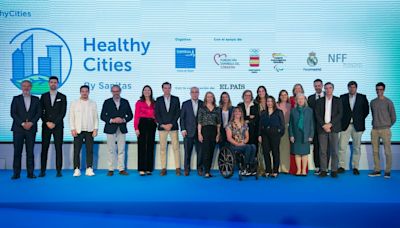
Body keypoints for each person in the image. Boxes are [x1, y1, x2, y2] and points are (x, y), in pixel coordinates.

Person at [10, 80, 41, 180]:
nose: (26, 88)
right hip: (18, 129)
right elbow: (13, 113)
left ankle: (30, 173)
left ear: (31, 87)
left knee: (30, 152)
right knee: (17, 152)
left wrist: (31, 123)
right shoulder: (16, 99)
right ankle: (16, 173)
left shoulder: (36, 99)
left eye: (28, 86)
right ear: (21, 87)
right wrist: (22, 123)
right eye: (24, 86)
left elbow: (39, 113)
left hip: (31, 129)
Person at [338, 81, 369, 175]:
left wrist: (358, 119)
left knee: (357, 148)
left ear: (356, 88)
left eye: (354, 87)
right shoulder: (342, 97)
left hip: (358, 126)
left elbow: (366, 111)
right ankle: (341, 166)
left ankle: (355, 167)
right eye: (350, 87)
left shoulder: (362, 97)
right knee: (342, 147)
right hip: (345, 126)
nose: (352, 89)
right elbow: (339, 111)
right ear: (348, 88)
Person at [101, 85, 133, 176]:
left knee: (121, 149)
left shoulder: (125, 102)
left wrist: (123, 120)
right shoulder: (107, 102)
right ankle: (111, 169)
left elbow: (130, 115)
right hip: (110, 128)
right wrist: (112, 120)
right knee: (111, 149)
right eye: (114, 91)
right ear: (111, 92)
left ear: (120, 91)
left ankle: (121, 169)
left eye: (117, 91)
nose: (116, 93)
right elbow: (103, 116)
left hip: (122, 128)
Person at [39, 76, 67, 178]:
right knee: (44, 148)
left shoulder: (62, 97)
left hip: (58, 126)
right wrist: (47, 122)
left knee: (58, 148)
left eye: (55, 82)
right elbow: (40, 111)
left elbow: (62, 112)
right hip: (46, 126)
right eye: (51, 82)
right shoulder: (43, 96)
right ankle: (42, 171)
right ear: (49, 83)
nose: (53, 84)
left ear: (58, 84)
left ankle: (59, 170)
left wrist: (54, 123)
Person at [69, 85, 99, 177]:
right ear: (80, 92)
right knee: (77, 151)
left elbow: (96, 117)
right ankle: (76, 169)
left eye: (86, 91)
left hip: (90, 130)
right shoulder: (74, 103)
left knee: (89, 150)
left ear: (89, 92)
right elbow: (71, 117)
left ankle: (89, 168)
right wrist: (72, 128)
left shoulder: (93, 103)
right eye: (83, 91)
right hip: (78, 130)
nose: (84, 93)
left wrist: (95, 129)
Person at [368, 82, 396, 179]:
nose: (378, 91)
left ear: (384, 90)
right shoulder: (372, 102)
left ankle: (387, 171)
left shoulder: (389, 102)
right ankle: (377, 170)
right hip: (374, 130)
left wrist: (387, 126)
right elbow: (373, 115)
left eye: (380, 89)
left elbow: (394, 117)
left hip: (385, 130)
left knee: (387, 151)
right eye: (377, 89)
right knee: (375, 151)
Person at [315, 82, 342, 178]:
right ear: (324, 89)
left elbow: (340, 114)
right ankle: (323, 170)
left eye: (330, 88)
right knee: (322, 151)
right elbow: (317, 114)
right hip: (322, 129)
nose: (328, 90)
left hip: (334, 128)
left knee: (334, 150)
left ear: (333, 89)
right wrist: (324, 125)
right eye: (326, 88)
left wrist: (330, 124)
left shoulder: (338, 100)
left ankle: (334, 170)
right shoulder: (319, 101)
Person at [155, 82, 181, 176]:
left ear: (171, 89)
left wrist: (171, 123)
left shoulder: (176, 99)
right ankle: (163, 168)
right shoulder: (158, 100)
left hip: (173, 127)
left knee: (176, 148)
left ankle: (178, 168)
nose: (167, 89)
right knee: (162, 148)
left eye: (168, 88)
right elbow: (156, 114)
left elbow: (178, 112)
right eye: (165, 88)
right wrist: (162, 124)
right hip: (162, 128)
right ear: (162, 89)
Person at [258, 96, 285, 178]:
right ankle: (268, 170)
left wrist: (279, 133)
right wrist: (259, 135)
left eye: (271, 101)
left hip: (275, 135)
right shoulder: (263, 113)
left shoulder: (279, 112)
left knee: (275, 152)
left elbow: (282, 125)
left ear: (273, 102)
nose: (269, 103)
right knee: (266, 152)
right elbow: (260, 125)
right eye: (268, 101)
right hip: (264, 134)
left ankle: (275, 171)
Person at [226, 107, 257, 176]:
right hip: (234, 145)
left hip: (243, 144)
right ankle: (245, 167)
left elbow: (247, 137)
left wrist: (243, 142)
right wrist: (237, 144)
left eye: (239, 111)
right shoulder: (229, 124)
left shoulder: (244, 124)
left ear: (241, 113)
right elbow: (229, 138)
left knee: (253, 146)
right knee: (248, 147)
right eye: (236, 111)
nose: (237, 113)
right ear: (233, 113)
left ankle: (250, 166)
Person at [289, 93, 314, 176]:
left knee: (304, 153)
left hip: (306, 134)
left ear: (305, 100)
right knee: (297, 153)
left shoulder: (309, 110)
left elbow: (311, 124)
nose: (300, 100)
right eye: (298, 99)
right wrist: (291, 135)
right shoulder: (293, 110)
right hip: (296, 135)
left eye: (302, 98)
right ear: (296, 100)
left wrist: (311, 135)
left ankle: (303, 170)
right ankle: (298, 170)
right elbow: (291, 125)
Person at [180, 87, 204, 176]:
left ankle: (200, 168)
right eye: (193, 92)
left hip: (199, 133)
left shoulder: (202, 104)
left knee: (200, 152)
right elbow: (182, 118)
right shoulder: (185, 104)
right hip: (188, 132)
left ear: (198, 93)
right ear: (190, 93)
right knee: (187, 152)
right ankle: (187, 169)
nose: (194, 94)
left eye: (196, 92)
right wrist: (183, 129)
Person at [134, 85, 157, 176]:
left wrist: (157, 122)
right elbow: (136, 116)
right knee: (142, 146)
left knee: (150, 146)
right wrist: (136, 128)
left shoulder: (154, 102)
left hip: (152, 124)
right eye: (145, 90)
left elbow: (157, 114)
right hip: (142, 124)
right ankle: (142, 168)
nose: (147, 91)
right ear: (143, 92)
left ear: (151, 92)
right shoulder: (139, 102)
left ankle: (148, 168)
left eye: (148, 90)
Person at [198, 91, 221, 178]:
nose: (210, 98)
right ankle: (206, 171)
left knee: (211, 151)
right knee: (206, 151)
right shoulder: (202, 108)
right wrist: (199, 133)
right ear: (205, 98)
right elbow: (199, 122)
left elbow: (219, 123)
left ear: (213, 98)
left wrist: (218, 134)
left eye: (211, 96)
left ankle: (209, 170)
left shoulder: (217, 109)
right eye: (208, 97)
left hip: (214, 131)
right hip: (205, 130)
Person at [307, 79, 325, 175]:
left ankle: (325, 167)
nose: (317, 87)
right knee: (316, 147)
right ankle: (317, 166)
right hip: (314, 127)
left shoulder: (328, 96)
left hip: (326, 127)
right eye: (315, 86)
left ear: (322, 86)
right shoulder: (310, 98)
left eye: (319, 85)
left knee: (326, 148)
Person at [276, 90, 291, 174]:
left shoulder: (290, 105)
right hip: (278, 129)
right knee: (277, 148)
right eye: (282, 95)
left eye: (285, 95)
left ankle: (285, 168)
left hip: (287, 128)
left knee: (285, 149)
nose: (283, 96)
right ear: (279, 96)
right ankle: (277, 167)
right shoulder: (276, 105)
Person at [254, 86, 268, 176]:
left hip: (270, 129)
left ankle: (269, 169)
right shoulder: (255, 103)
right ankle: (260, 169)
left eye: (263, 91)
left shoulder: (270, 101)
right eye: (259, 91)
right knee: (260, 150)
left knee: (267, 150)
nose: (261, 92)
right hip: (259, 129)